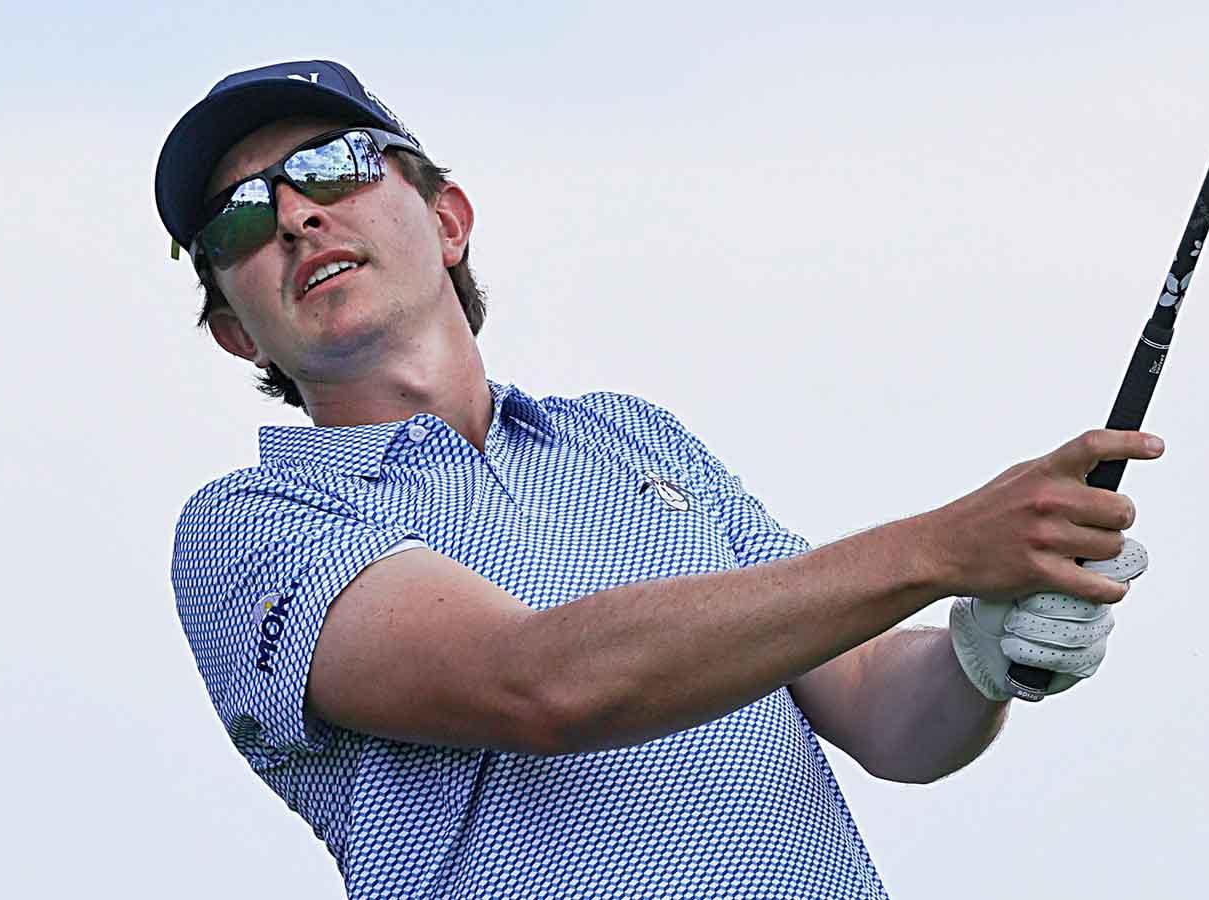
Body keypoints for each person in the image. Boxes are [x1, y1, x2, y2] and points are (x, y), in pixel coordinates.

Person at [157, 60, 1158, 900]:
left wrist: (976, 655)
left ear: (448, 219)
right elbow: (539, 681)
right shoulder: (255, 528)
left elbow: (863, 696)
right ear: (238, 328)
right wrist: (940, 549)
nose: (291, 215)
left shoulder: (634, 439)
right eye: (237, 223)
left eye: (330, 168)